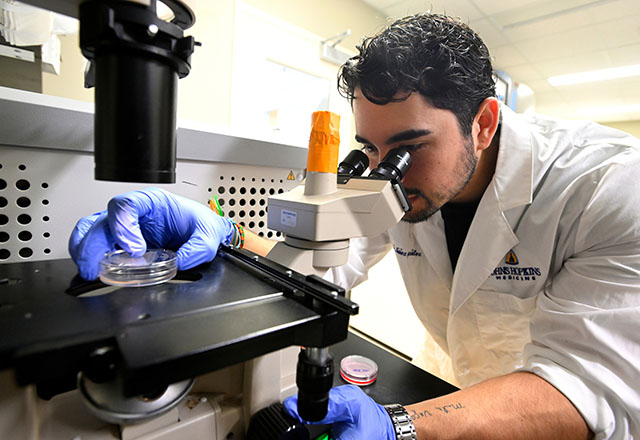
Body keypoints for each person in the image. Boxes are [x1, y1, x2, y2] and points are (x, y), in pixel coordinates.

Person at [70, 12, 640, 440]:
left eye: (408, 148)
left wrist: (403, 427)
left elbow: (586, 386)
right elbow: (327, 263)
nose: (384, 171)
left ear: (483, 123)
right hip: (448, 380)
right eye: (370, 148)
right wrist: (225, 233)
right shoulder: (400, 183)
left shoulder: (608, 187)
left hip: (545, 410)